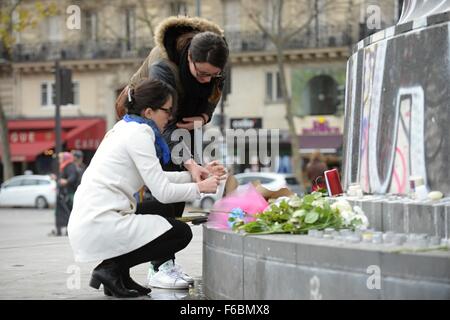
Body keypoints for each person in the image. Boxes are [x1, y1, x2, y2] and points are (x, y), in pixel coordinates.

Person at [68, 79, 221, 298]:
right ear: (149, 112)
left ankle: (118, 276)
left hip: (94, 217)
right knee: (180, 233)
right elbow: (163, 192)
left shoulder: (125, 127)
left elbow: (156, 178)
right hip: (99, 221)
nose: (170, 117)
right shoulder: (138, 135)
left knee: (161, 211)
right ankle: (110, 269)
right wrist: (199, 188)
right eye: (167, 111)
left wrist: (196, 173)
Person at [115, 16, 229, 285]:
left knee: (175, 192)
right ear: (188, 56)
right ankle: (158, 264)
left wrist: (204, 117)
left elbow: (213, 96)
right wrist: (190, 163)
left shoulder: (217, 60)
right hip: (147, 122)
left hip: (182, 120)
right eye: (201, 73)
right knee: (163, 186)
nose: (206, 80)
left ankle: (158, 261)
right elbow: (162, 125)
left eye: (212, 75)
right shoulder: (163, 66)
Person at [49, 152, 79, 236]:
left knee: (68, 212)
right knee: (62, 213)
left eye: (61, 158)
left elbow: (72, 177)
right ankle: (61, 230)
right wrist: (57, 178)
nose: (59, 160)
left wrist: (66, 181)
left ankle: (68, 230)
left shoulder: (70, 166)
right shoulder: (64, 166)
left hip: (68, 193)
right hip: (64, 193)